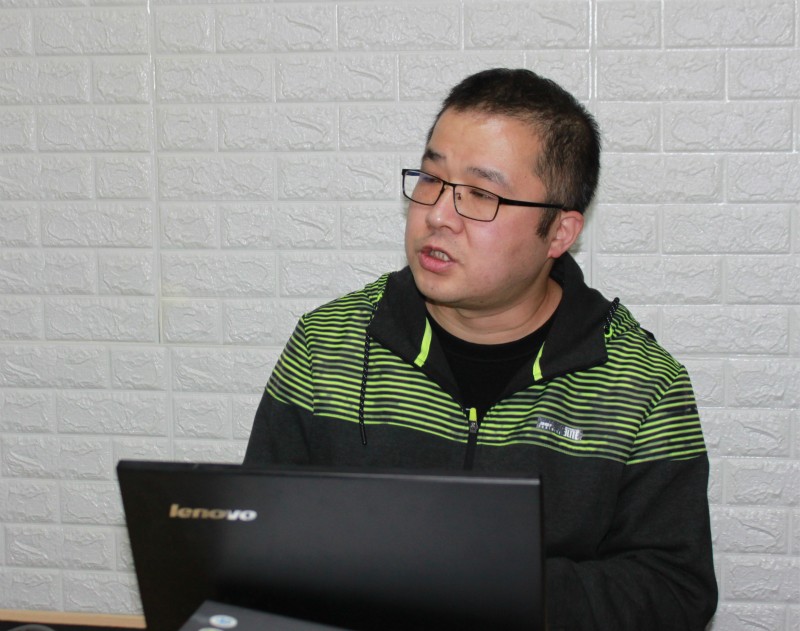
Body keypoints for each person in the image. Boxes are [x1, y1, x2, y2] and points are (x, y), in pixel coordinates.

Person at [244, 68, 718, 630]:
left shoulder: (640, 385)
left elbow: (675, 592)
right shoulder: (329, 346)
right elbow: (257, 543)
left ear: (560, 233)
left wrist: (492, 585)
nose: (437, 215)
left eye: (481, 194)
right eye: (431, 178)